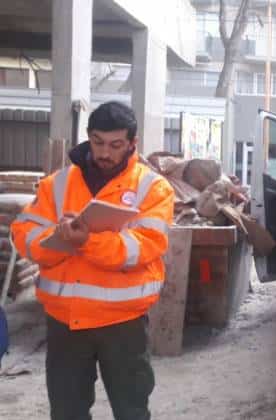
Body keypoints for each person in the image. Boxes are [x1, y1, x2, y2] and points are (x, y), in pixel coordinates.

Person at [11, 101, 174, 420]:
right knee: (67, 411)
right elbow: (24, 235)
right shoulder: (57, 184)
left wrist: (87, 241)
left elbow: (143, 247)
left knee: (131, 410)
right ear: (88, 137)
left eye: (115, 145)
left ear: (132, 145)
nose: (104, 153)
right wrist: (58, 241)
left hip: (122, 323)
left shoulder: (153, 189)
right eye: (97, 142)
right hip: (65, 322)